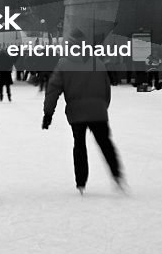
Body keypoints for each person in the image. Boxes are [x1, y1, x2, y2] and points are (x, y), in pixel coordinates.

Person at [42, 31, 125, 195]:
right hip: (98, 111)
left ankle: (81, 182)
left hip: (77, 112)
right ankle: (117, 175)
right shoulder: (97, 62)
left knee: (79, 145)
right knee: (105, 143)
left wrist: (48, 114)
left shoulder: (64, 64)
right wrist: (102, 106)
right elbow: (106, 89)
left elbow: (53, 90)